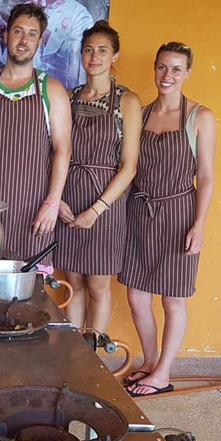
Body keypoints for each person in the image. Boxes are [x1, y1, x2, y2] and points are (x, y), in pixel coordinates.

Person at [119, 42, 216, 396]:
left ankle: (163, 374)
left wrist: (199, 225)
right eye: (162, 67)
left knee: (173, 299)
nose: (167, 75)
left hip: (178, 213)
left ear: (187, 72)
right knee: (136, 296)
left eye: (176, 69)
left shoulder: (199, 117)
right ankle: (149, 362)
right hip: (140, 211)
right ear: (155, 69)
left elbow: (205, 177)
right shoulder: (140, 115)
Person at [54, 21, 141, 332]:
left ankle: (94, 364)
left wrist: (97, 209)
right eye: (89, 50)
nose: (94, 56)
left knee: (98, 286)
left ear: (114, 56)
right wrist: (57, 200)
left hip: (105, 203)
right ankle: (73, 357)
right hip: (69, 197)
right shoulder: (67, 97)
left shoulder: (127, 101)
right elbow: (54, 153)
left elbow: (129, 166)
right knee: (72, 282)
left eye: (102, 50)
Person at [0, 3, 71, 261]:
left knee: (31, 293)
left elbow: (62, 150)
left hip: (33, 212)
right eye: (18, 32)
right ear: (6, 35)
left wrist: (52, 202)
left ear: (40, 41)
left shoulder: (53, 90)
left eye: (32, 34)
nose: (24, 40)